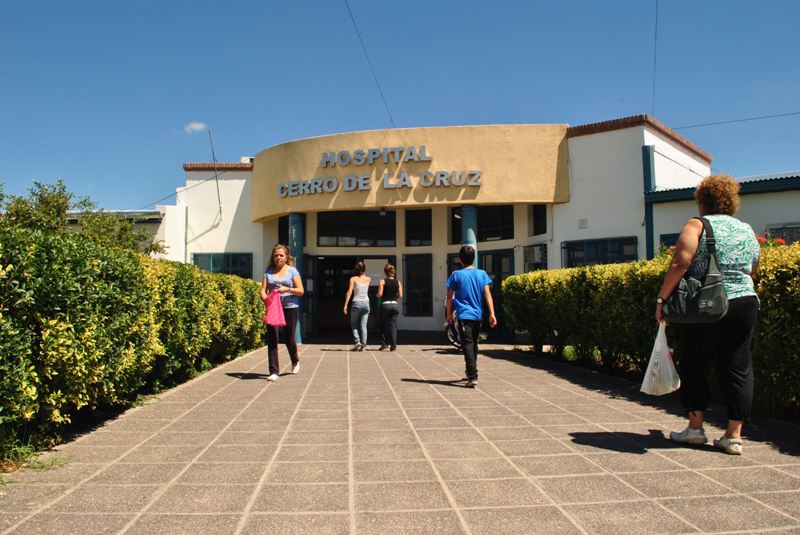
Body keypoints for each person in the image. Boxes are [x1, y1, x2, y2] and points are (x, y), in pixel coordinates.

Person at [656, 174, 760, 455]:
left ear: (702, 201)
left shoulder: (697, 224)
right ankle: (733, 436)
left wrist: (662, 298)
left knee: (695, 362)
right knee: (738, 367)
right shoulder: (746, 229)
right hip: (744, 303)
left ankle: (695, 428)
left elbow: (680, 262)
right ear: (731, 201)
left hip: (704, 303)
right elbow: (752, 267)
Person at [446, 244, 497, 388]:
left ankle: (472, 375)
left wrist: (449, 313)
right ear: (473, 258)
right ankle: (471, 370)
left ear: (460, 259)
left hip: (464, 315)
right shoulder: (482, 274)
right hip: (477, 315)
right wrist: (492, 313)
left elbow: (449, 296)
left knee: (467, 344)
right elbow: (488, 294)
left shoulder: (456, 275)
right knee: (473, 343)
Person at [261, 244, 304, 381]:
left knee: (289, 338)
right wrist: (266, 299)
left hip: (290, 307)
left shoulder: (292, 271)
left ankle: (295, 359)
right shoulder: (268, 271)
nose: (278, 257)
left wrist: (287, 289)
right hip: (273, 308)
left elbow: (301, 291)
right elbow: (263, 290)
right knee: (272, 338)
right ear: (273, 257)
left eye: (281, 255)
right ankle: (274, 371)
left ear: (286, 257)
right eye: (276, 255)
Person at [343, 261, 371, 351]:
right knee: (364, 325)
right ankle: (364, 346)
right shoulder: (368, 279)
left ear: (356, 270)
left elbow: (349, 292)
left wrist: (345, 305)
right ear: (365, 269)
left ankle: (357, 341)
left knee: (354, 324)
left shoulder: (353, 279)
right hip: (366, 303)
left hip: (356, 303)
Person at [377, 263, 403, 351]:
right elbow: (400, 296)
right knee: (393, 325)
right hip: (395, 305)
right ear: (393, 272)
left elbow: (380, 294)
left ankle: (384, 344)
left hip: (385, 305)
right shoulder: (398, 282)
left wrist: (377, 296)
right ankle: (393, 345)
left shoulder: (382, 281)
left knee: (382, 324)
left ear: (385, 272)